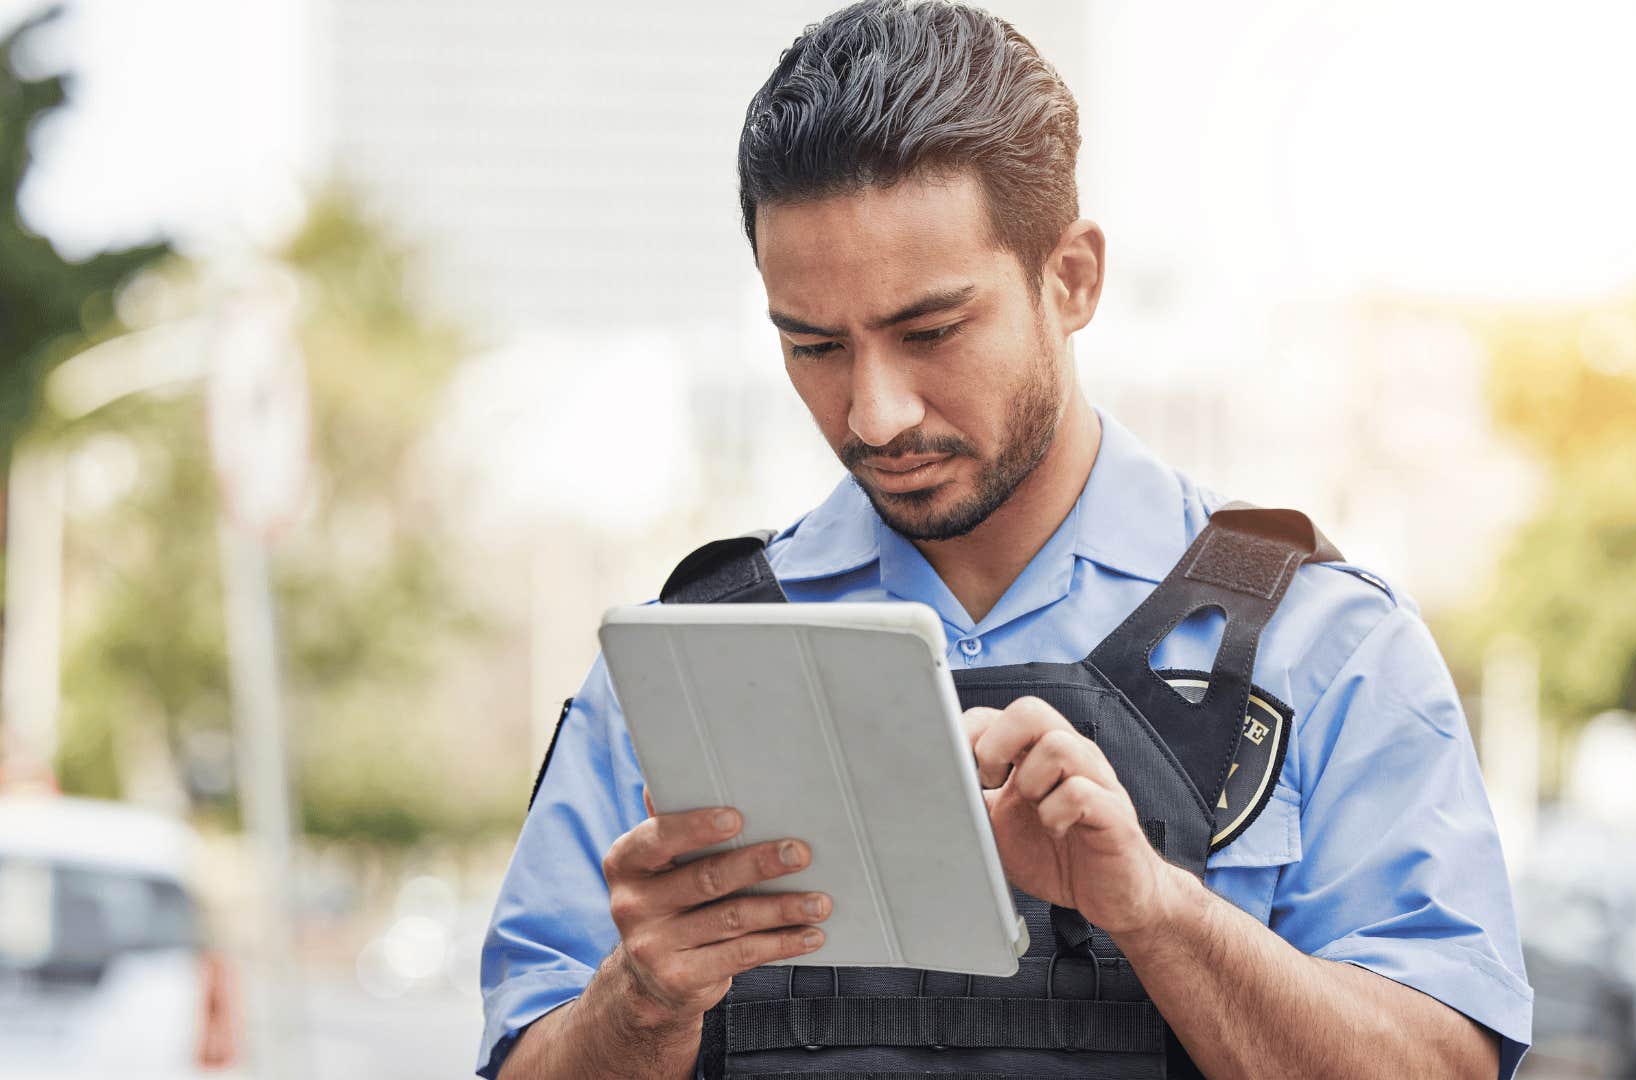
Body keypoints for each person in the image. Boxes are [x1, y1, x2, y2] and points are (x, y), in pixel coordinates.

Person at [477, 2, 1532, 1077]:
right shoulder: (674, 672)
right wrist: (643, 999)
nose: (875, 413)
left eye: (929, 332)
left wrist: (1159, 913)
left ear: (1071, 278)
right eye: (814, 345)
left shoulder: (1329, 645)